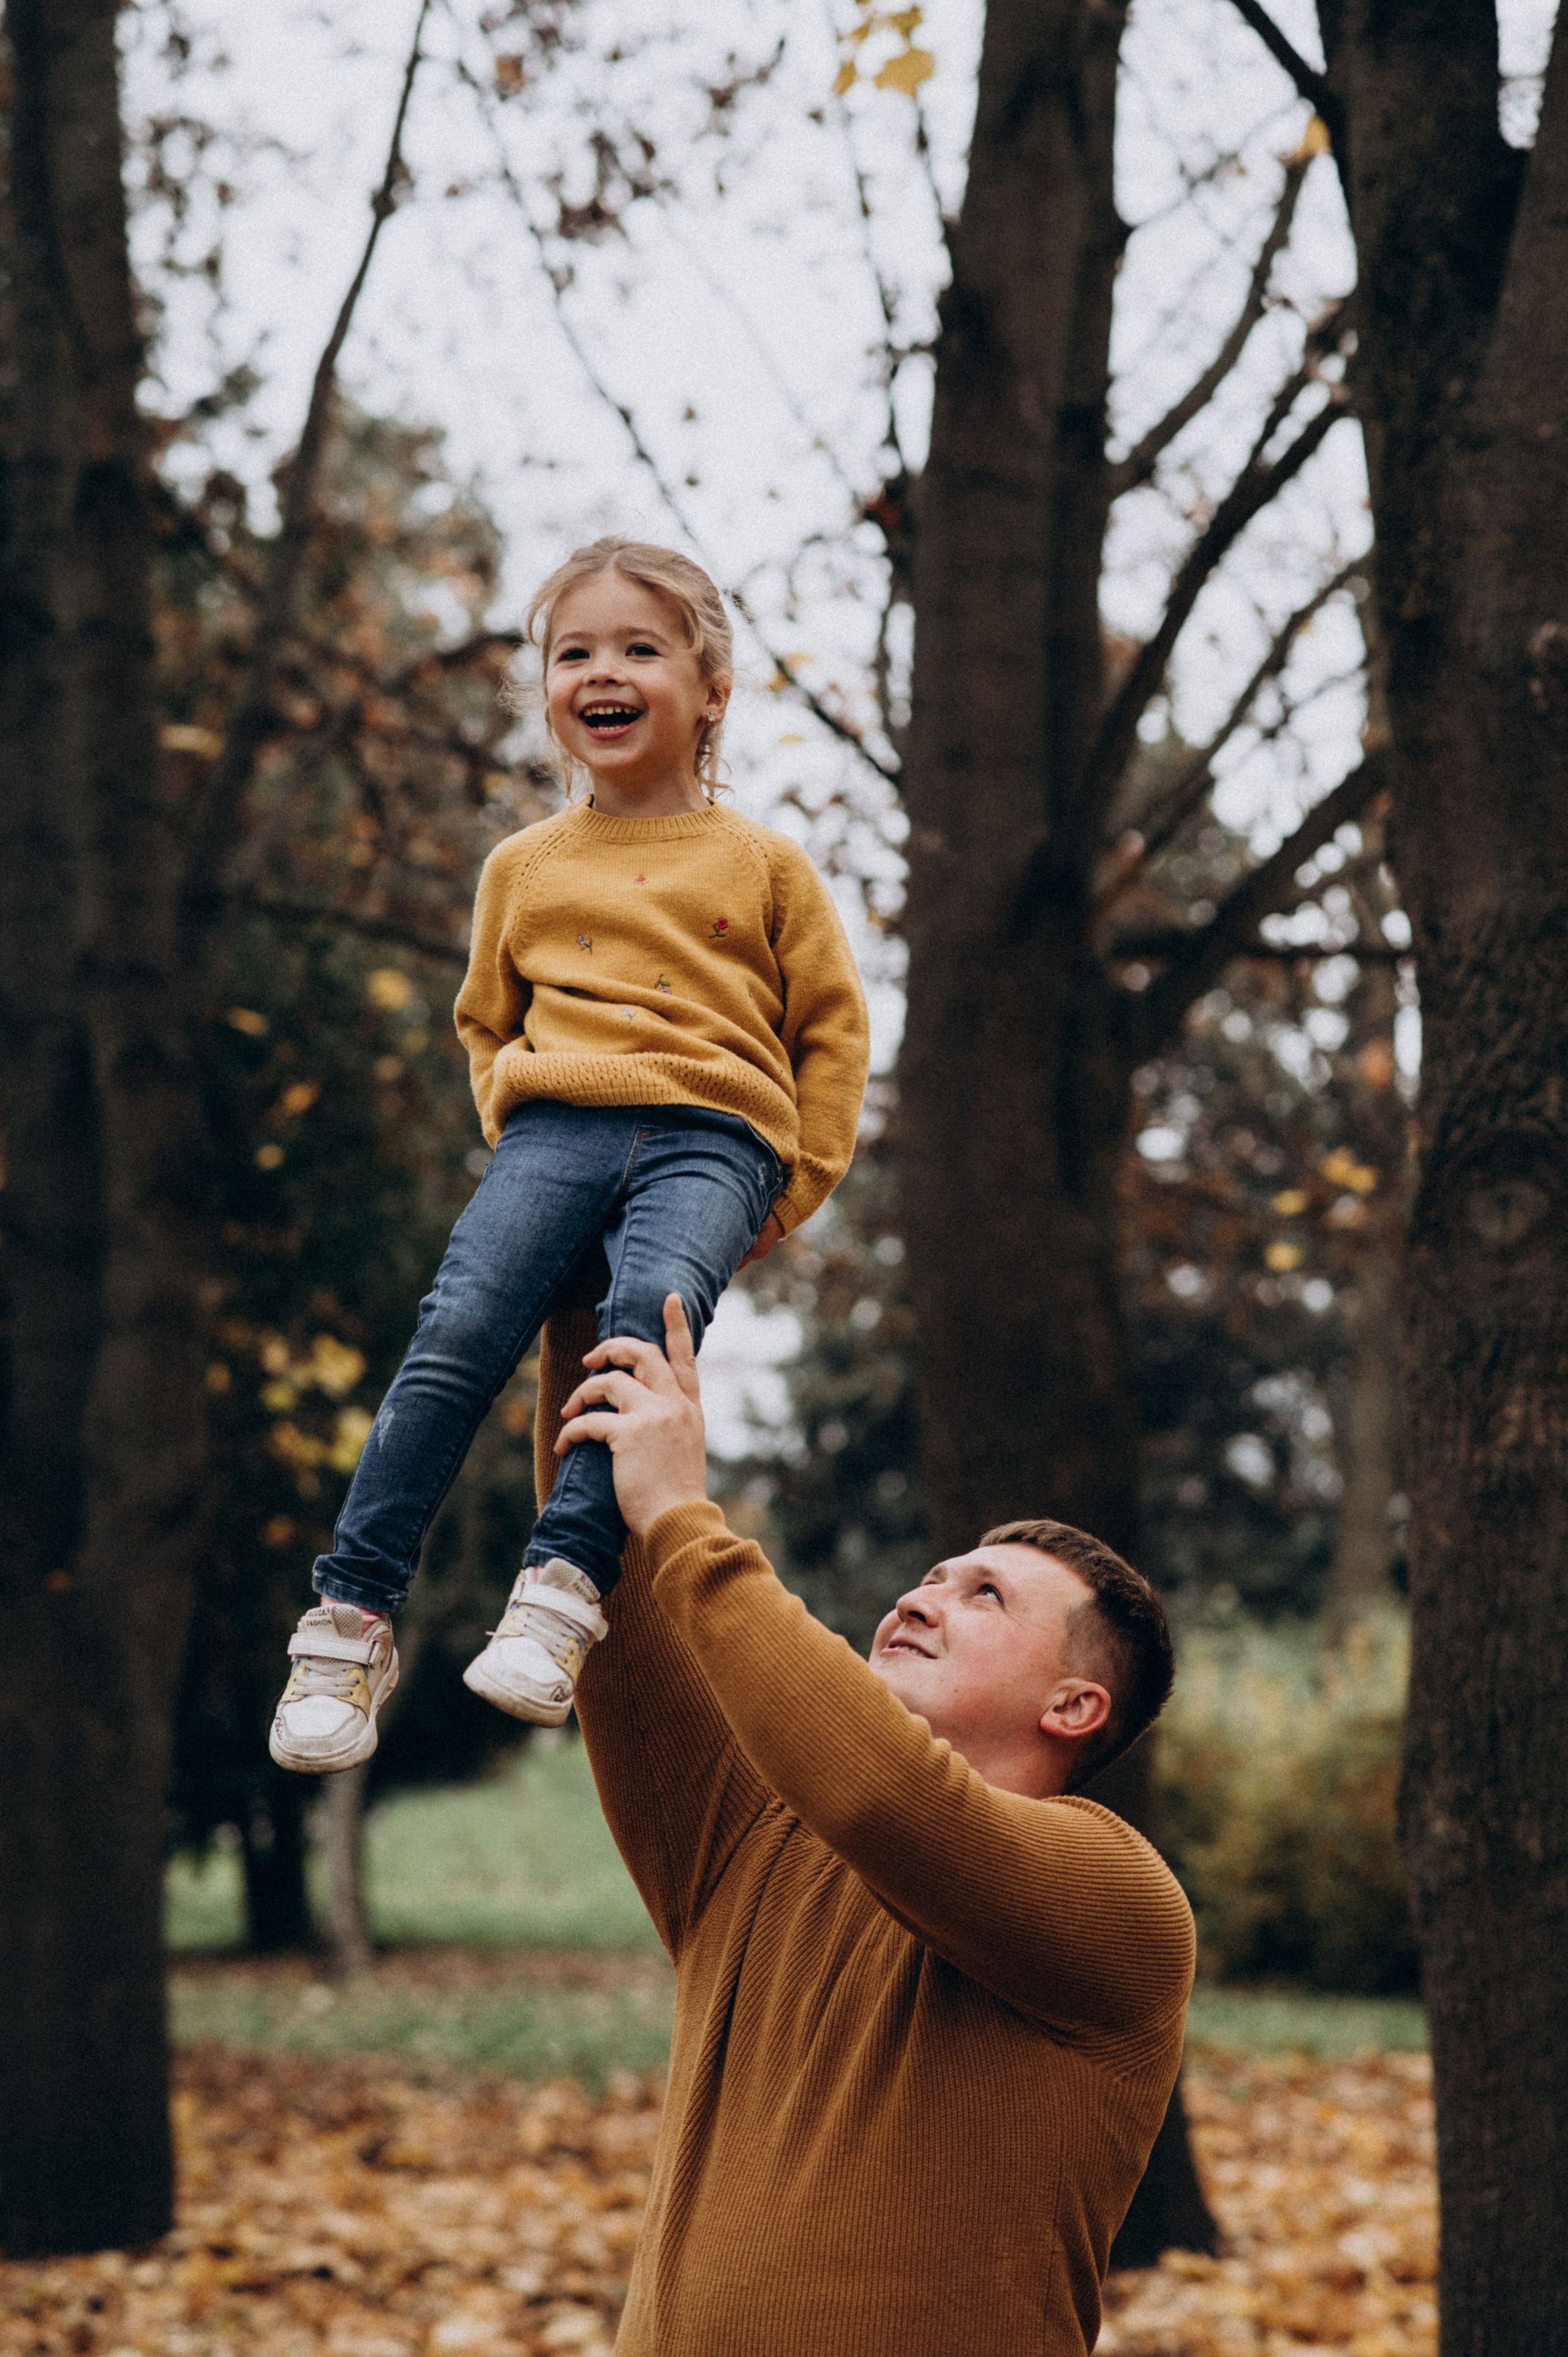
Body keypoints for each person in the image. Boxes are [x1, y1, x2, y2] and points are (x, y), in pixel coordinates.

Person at [270, 539, 869, 1774]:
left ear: (709, 687)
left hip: (716, 1134)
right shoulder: (523, 868)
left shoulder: (762, 865)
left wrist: (787, 1186)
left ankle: (559, 1592)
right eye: (572, 652)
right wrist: (522, 1141)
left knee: (640, 1344)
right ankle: (349, 1617)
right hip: (553, 1129)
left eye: (638, 649)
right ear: (546, 688)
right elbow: (485, 1019)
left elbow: (831, 1032)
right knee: (458, 1332)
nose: (601, 671)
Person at [534, 1290, 1196, 2357]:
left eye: (986, 1597)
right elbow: (617, 1619)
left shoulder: (1119, 1903)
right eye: (931, 1578)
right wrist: (598, 1294)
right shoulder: (755, 1839)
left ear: (1073, 1708)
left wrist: (687, 1521)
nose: (920, 1599)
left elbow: (885, 1794)